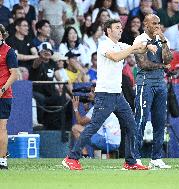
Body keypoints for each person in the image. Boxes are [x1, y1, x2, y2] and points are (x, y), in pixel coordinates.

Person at [62, 19, 150, 170]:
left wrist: (149, 44)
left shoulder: (120, 45)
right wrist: (134, 47)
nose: (120, 29)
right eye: (117, 27)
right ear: (108, 31)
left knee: (131, 125)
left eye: (120, 27)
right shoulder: (104, 44)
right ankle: (71, 158)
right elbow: (116, 57)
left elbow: (140, 50)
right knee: (94, 126)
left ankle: (130, 162)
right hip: (104, 94)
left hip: (118, 95)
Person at [133, 14, 173, 169]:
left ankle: (156, 158)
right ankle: (135, 158)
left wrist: (163, 40)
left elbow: (168, 59)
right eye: (154, 23)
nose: (157, 26)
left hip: (160, 83)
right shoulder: (140, 40)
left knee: (160, 121)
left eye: (158, 23)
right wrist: (162, 67)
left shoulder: (163, 39)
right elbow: (143, 64)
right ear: (146, 24)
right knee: (141, 119)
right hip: (145, 82)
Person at [71, 92, 121, 157]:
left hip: (107, 142)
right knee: (93, 132)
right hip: (115, 143)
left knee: (75, 128)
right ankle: (97, 159)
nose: (88, 94)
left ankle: (85, 155)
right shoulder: (106, 106)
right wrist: (87, 109)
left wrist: (75, 108)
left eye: (92, 92)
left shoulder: (96, 108)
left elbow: (80, 122)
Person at [0, 24, 19, 169]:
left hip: (3, 95)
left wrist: (2, 89)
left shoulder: (9, 51)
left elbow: (14, 74)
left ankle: (2, 161)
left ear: (2, 35)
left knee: (2, 128)